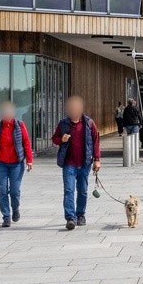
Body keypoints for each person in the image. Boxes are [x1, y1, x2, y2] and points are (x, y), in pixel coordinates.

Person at [51, 95, 101, 229]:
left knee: (83, 191)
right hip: (69, 164)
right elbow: (54, 139)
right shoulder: (63, 124)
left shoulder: (89, 123)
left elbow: (96, 141)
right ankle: (70, 218)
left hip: (84, 163)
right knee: (68, 190)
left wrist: (97, 160)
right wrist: (62, 139)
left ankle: (80, 214)